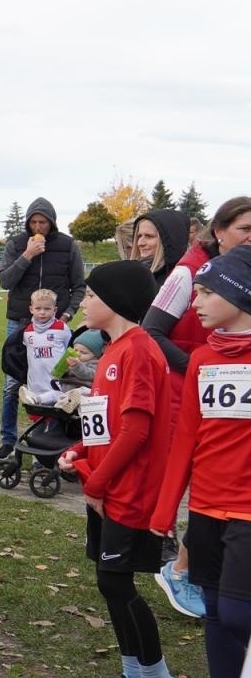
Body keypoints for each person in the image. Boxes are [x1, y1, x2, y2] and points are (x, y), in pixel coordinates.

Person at [55, 261, 186, 678]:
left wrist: (97, 481)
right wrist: (77, 452)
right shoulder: (113, 351)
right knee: (110, 584)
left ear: (115, 301)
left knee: (118, 583)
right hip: (106, 488)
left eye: (91, 296)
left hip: (129, 493)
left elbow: (136, 430)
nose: (84, 303)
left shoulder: (139, 351)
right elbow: (104, 424)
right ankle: (134, 676)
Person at [149, 247, 251, 678]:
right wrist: (166, 510)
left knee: (236, 614)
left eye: (208, 293)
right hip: (206, 508)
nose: (197, 303)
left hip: (248, 512)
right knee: (214, 610)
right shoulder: (205, 359)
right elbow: (186, 435)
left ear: (241, 294)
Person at [146, 198, 251, 621]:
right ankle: (181, 570)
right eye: (245, 229)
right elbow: (152, 328)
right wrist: (203, 369)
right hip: (186, 386)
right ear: (219, 230)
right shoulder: (188, 273)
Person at [0, 197, 86, 459]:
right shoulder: (15, 244)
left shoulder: (68, 246)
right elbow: (4, 280)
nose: (38, 227)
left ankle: (50, 440)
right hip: (21, 321)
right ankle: (8, 439)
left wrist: (68, 314)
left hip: (56, 325)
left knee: (56, 384)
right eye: (33, 222)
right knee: (13, 384)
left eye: (43, 222)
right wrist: (27, 255)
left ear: (52, 222)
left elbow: (78, 285)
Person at [19, 289, 73, 405]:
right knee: (37, 413)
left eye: (47, 309)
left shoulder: (62, 328)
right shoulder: (26, 331)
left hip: (56, 380)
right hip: (35, 380)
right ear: (31, 309)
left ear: (55, 309)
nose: (42, 312)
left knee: (56, 413)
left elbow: (69, 349)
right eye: (38, 308)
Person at [130, 208, 191, 284]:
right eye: (139, 236)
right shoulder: (134, 274)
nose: (140, 243)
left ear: (168, 240)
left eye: (149, 236)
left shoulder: (176, 281)